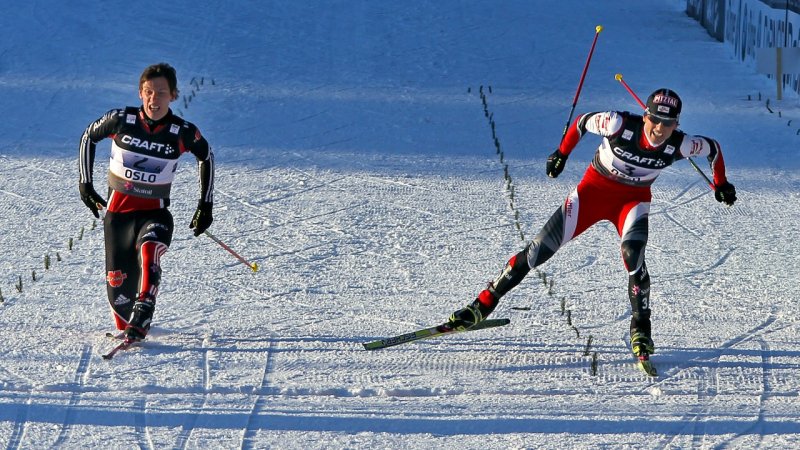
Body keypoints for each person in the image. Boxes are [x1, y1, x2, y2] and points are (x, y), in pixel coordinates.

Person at [447, 88, 736, 360]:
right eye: (655, 120)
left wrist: (721, 183)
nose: (659, 129)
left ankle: (641, 331)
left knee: (633, 257)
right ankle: (481, 306)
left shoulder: (681, 144)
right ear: (645, 115)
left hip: (631, 202)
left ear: (676, 124)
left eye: (668, 123)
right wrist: (562, 153)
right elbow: (583, 122)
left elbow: (714, 148)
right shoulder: (618, 124)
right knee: (538, 250)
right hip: (593, 193)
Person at [78, 63, 215, 341]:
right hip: (118, 218)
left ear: (173, 95)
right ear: (140, 93)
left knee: (150, 250)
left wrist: (205, 205)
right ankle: (132, 318)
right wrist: (85, 185)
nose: (154, 99)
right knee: (119, 304)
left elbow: (206, 156)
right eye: (149, 92)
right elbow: (88, 138)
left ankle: (145, 310)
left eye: (161, 93)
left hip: (155, 214)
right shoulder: (121, 120)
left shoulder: (181, 132)